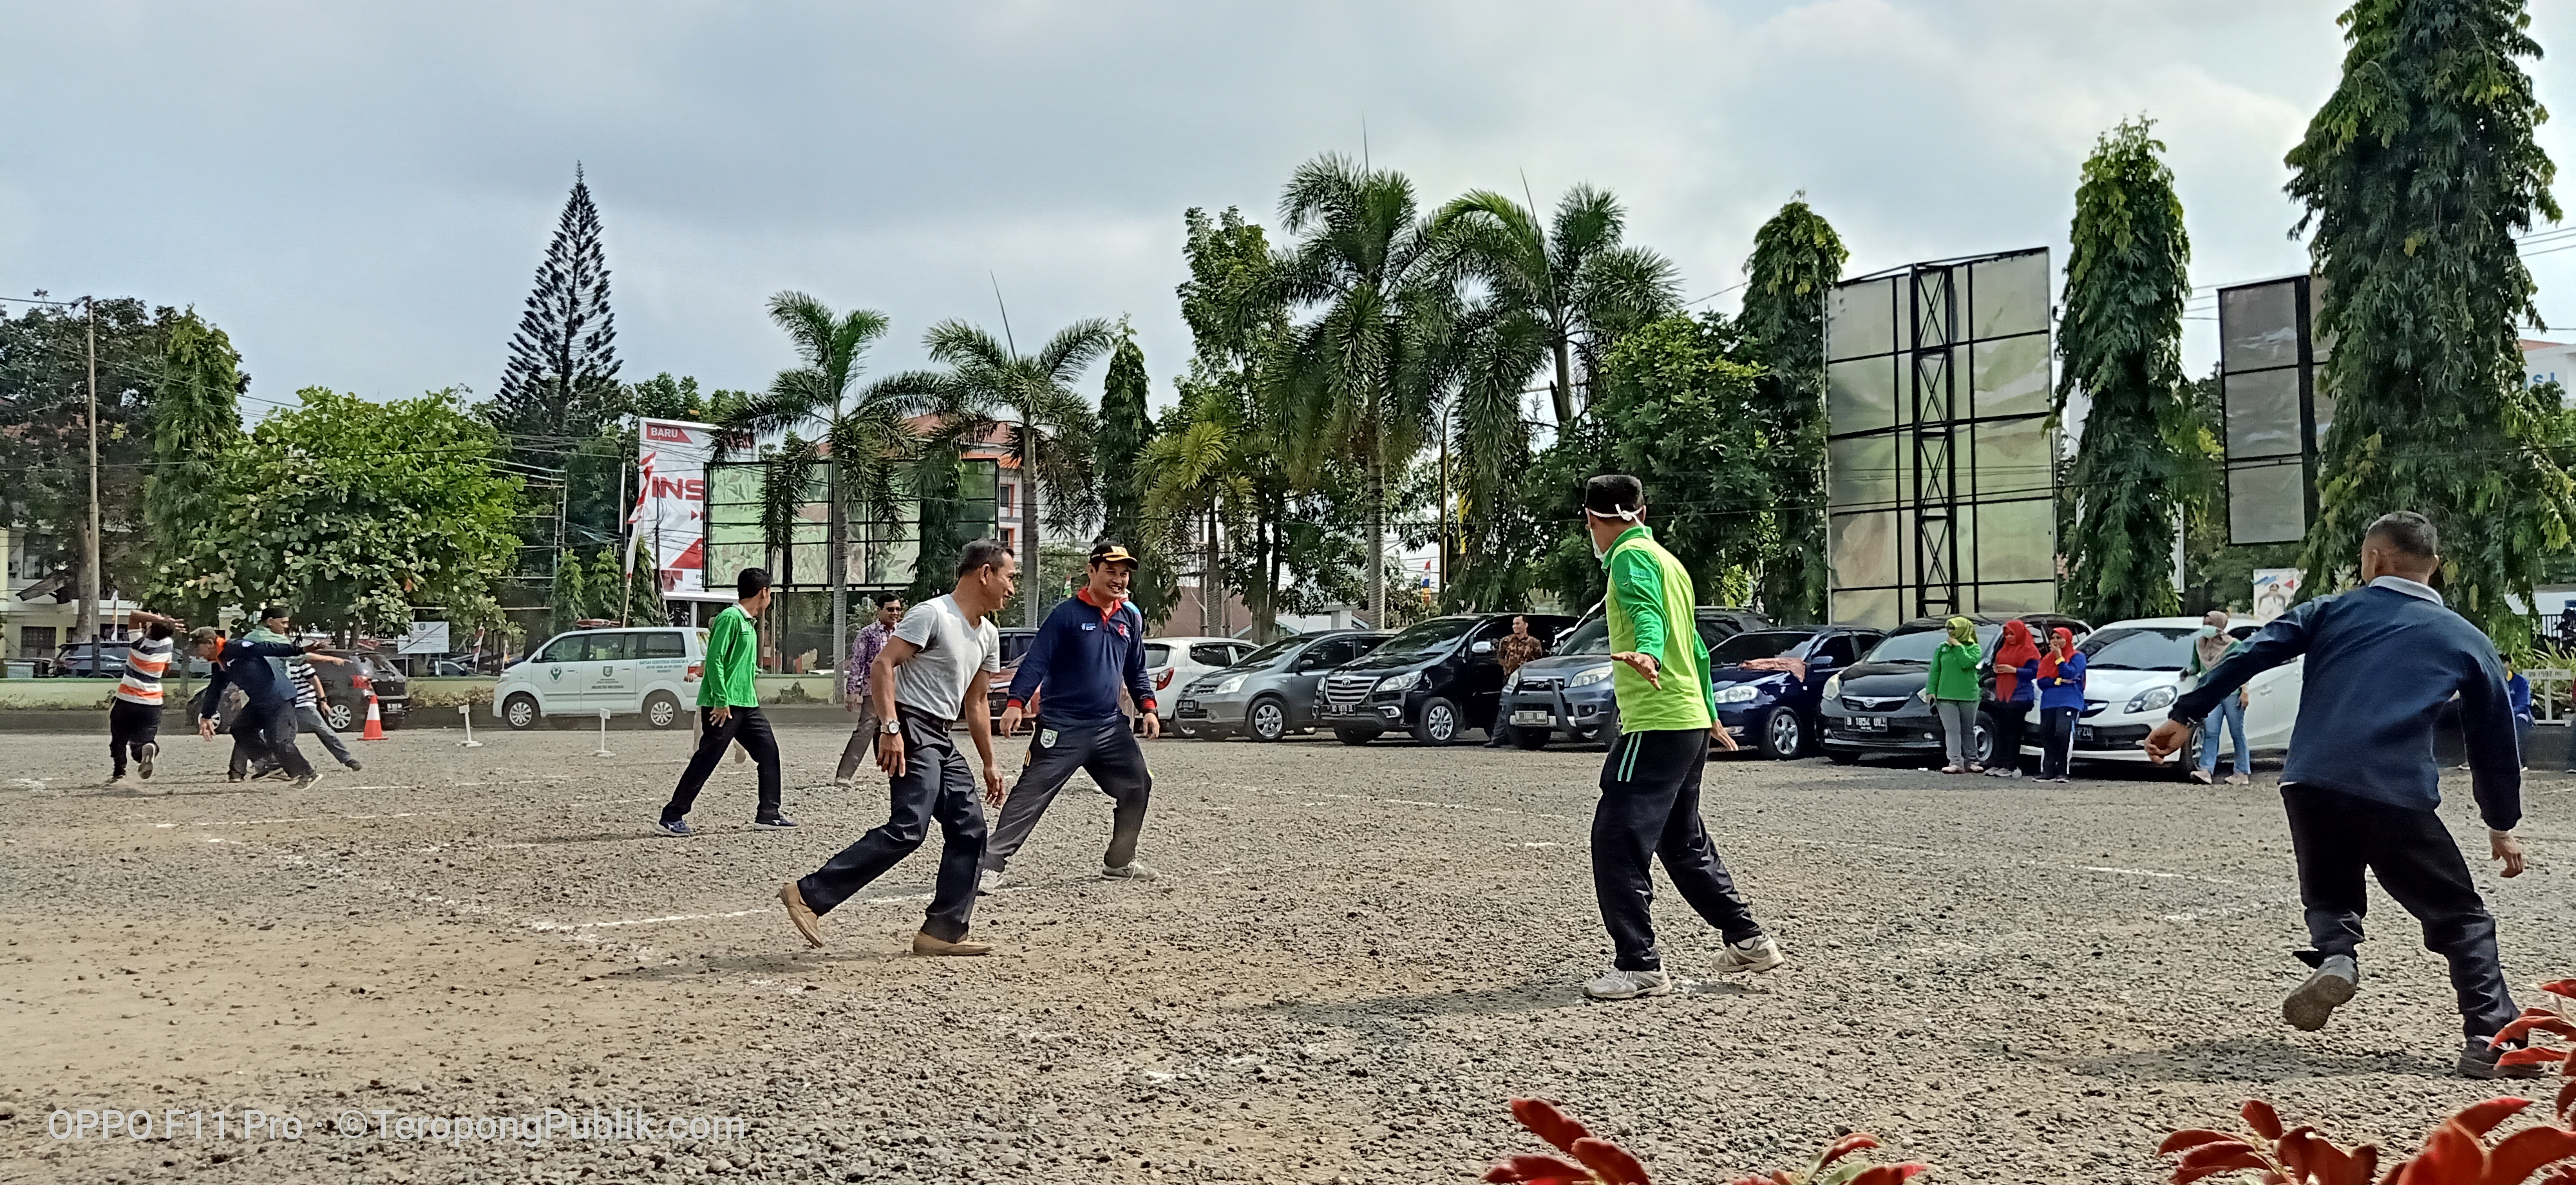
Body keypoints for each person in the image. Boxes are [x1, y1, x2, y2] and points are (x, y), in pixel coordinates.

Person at [2143, 512, 2535, 1079]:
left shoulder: (2332, 610)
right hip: (2394, 790)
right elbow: (2495, 738)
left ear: (2374, 558)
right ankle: (2491, 1038)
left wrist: (2186, 715)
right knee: (2458, 916)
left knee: (2330, 889)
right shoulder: (2466, 639)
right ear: (2436, 567)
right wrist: (2501, 822)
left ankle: (2336, 956)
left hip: (2311, 781)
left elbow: (2251, 653)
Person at [1575, 474, 1781, 1001]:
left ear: (1595, 520)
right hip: (1685, 718)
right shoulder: (1671, 563)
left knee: (1616, 838)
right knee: (1680, 839)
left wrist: (1646, 650)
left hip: (1658, 719)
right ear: (1642, 511)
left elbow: (1648, 617)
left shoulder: (1628, 557)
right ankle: (1748, 939)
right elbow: (1696, 646)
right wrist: (1709, 712)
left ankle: (1639, 964)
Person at [780, 540, 1016, 956]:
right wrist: (890, 728)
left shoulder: (989, 636)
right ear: (985, 574)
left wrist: (991, 764)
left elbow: (976, 703)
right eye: (1009, 578)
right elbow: (882, 665)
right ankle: (807, 894)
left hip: (941, 737)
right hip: (909, 726)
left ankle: (943, 931)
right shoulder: (933, 614)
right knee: (909, 827)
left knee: (972, 829)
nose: (1012, 588)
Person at [980, 542, 1160, 893]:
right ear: (1091, 571)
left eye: (1124, 574)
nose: (1119, 580)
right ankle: (988, 866)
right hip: (1062, 727)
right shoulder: (1066, 615)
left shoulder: (1131, 617)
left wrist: (1149, 708)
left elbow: (1136, 669)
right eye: (1111, 572)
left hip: (1110, 727)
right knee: (1030, 795)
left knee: (1138, 784)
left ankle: (1120, 862)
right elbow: (1037, 661)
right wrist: (1016, 702)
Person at [657, 568, 792, 836]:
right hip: (724, 705)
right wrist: (720, 700)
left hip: (746, 703)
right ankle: (672, 816)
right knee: (707, 758)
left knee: (769, 752)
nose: (770, 597)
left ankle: (769, 813)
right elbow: (715, 660)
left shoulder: (749, 623)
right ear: (764, 592)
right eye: (770, 592)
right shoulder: (730, 618)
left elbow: (737, 664)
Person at [187, 626, 324, 788]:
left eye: (197, 648)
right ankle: (271, 765)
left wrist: (299, 649)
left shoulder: (235, 647)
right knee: (240, 728)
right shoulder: (219, 663)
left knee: (278, 741)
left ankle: (307, 773)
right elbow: (215, 689)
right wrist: (206, 716)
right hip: (260, 700)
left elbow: (265, 647)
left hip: (279, 696)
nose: (197, 653)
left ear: (210, 643)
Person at [832, 593, 905, 786]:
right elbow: (857, 663)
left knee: (896, 729)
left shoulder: (904, 632)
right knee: (866, 729)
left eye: (898, 609)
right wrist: (853, 691)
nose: (895, 613)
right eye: (890, 609)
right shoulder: (868, 633)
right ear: (879, 610)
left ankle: (896, 773)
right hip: (873, 689)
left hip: (900, 690)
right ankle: (844, 775)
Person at [106, 611, 182, 786]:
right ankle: (149, 749)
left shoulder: (138, 644)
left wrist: (160, 620)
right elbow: (166, 670)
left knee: (119, 738)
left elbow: (133, 615)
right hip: (152, 703)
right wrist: (165, 624)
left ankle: (119, 772)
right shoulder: (168, 644)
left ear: (150, 626)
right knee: (143, 742)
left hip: (127, 700)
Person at [2184, 610, 2251, 786]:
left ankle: (2242, 772)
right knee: (2211, 732)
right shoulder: (2199, 643)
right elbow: (2195, 666)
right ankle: (2206, 770)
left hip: (2232, 693)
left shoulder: (2234, 645)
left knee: (2237, 733)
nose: (2207, 627)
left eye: (2211, 624)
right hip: (2211, 694)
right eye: (2205, 623)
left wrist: (2245, 691)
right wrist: (2186, 672)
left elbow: (2244, 669)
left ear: (2220, 626)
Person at [2023, 627, 2085, 782]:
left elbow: (2070, 674)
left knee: (2062, 733)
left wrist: (2059, 658)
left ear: (2068, 639)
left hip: (2069, 701)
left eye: (2059, 638)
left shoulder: (2078, 657)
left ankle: (2062, 771)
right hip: (2049, 702)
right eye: (2053, 638)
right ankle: (2048, 770)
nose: (2056, 641)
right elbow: (2042, 682)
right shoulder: (2046, 659)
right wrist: (2058, 681)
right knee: (2047, 733)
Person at [1926, 616, 1982, 775]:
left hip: (1968, 695)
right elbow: (1935, 670)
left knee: (1968, 729)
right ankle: (1955, 762)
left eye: (1954, 629)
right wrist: (1931, 690)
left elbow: (1967, 663)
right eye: (1949, 629)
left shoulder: (1974, 648)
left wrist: (1958, 646)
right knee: (1952, 730)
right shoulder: (1942, 648)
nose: (1951, 632)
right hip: (1946, 695)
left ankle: (1972, 760)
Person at [1985, 619, 2040, 778]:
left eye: (2012, 634)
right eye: (2007, 635)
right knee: (2000, 730)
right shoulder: (2004, 649)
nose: (2009, 638)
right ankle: (1998, 763)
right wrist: (1998, 670)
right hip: (2003, 694)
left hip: (2021, 695)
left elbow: (2035, 672)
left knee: (2013, 731)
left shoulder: (2030, 650)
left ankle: (2010, 765)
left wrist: (2014, 670)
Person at [1484, 615, 1549, 748]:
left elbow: (1539, 661)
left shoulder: (1534, 643)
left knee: (1529, 708)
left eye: (1518, 624)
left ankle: (1531, 736)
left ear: (1526, 625)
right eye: (1514, 624)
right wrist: (1508, 668)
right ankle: (1496, 738)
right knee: (1505, 707)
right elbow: (1500, 657)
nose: (1515, 626)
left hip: (1528, 681)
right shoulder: (1506, 641)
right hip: (1510, 680)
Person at [2506, 659, 2533, 773]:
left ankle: (2519, 761)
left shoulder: (2521, 681)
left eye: (2503, 662)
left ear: (2509, 664)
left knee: (2519, 723)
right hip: (2499, 714)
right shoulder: (2493, 681)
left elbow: (2523, 704)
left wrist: (2508, 713)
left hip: (2519, 714)